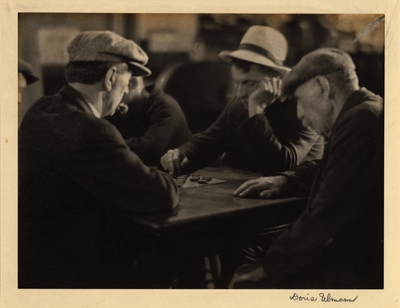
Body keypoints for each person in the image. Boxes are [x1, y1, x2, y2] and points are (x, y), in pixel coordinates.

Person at [18, 30, 179, 289]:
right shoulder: (91, 130)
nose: (127, 90)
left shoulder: (40, 109)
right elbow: (162, 193)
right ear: (111, 77)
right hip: (76, 276)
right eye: (128, 80)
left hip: (32, 266)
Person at [229, 48, 384, 289]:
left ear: (322, 86)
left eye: (299, 101)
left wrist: (268, 268)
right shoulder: (368, 109)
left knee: (243, 280)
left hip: (365, 271)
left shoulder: (360, 120)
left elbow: (327, 218)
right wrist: (288, 180)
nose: (299, 114)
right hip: (362, 256)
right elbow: (332, 168)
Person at [160, 25, 324, 177]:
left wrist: (256, 109)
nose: (240, 93)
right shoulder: (238, 105)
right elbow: (208, 141)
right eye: (237, 82)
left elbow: (278, 165)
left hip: (293, 203)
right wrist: (180, 152)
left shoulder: (304, 108)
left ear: (276, 79)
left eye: (250, 83)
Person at [107, 77, 192, 167]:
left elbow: (148, 150)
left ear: (132, 83)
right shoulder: (127, 107)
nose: (109, 94)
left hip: (176, 175)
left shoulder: (166, 107)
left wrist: (106, 145)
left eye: (112, 87)